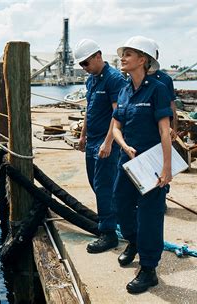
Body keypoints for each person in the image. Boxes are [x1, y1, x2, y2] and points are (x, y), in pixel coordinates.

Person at [111, 36, 173, 294]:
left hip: (152, 162)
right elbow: (116, 126)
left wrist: (167, 168)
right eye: (122, 53)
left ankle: (149, 269)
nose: (122, 58)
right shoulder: (124, 90)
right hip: (127, 160)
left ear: (143, 60)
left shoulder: (157, 89)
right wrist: (123, 145)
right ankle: (134, 242)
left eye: (128, 54)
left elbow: (165, 130)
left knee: (150, 214)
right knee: (120, 204)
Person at [73, 38, 127, 253]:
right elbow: (89, 110)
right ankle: (116, 219)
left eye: (86, 63)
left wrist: (108, 142)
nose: (84, 68)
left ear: (98, 56)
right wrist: (82, 135)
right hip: (93, 140)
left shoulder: (114, 79)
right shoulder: (91, 81)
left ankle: (108, 233)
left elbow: (118, 114)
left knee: (104, 187)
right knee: (95, 184)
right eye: (81, 65)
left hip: (106, 142)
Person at [147, 40, 178, 140]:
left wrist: (174, 128)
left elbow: (172, 106)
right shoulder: (132, 79)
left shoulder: (165, 79)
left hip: (162, 127)